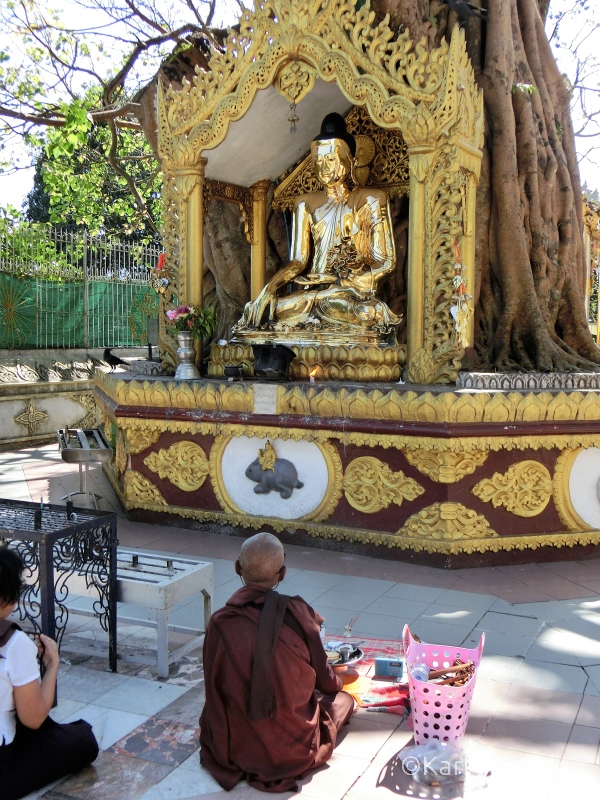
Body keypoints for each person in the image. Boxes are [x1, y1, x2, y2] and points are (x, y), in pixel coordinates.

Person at [199, 532, 354, 793]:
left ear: (237, 567)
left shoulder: (220, 622)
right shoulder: (298, 613)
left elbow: (214, 686)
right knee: (343, 701)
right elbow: (326, 682)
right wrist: (339, 681)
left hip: (234, 745)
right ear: (282, 573)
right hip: (292, 748)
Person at [233, 112, 400, 342]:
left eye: (330, 159)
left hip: (347, 294)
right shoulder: (305, 203)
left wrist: (360, 279)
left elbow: (387, 260)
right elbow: (298, 262)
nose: (324, 168)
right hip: (313, 294)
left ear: (348, 159)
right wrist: (269, 288)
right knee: (266, 309)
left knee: (366, 312)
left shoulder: (371, 199)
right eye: (319, 161)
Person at [0, 546, 99, 800]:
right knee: (83, 740)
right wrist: (51, 665)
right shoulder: (14, 644)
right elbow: (33, 719)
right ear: (7, 598)